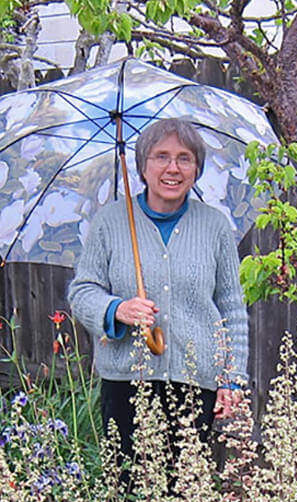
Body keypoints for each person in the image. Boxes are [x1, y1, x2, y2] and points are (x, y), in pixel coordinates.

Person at [68, 117, 248, 461]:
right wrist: (116, 310)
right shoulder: (111, 221)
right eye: (161, 156)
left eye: (184, 158)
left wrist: (232, 377)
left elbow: (232, 309)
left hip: (197, 385)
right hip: (126, 383)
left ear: (197, 169)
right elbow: (83, 291)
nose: (173, 168)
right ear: (142, 165)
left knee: (185, 496)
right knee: (130, 492)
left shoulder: (214, 226)